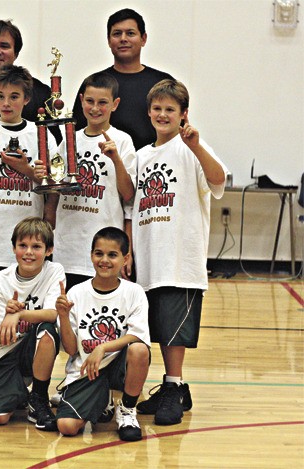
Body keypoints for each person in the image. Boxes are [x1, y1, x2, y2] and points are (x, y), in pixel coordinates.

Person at [132, 79, 226, 425]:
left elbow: (218, 181)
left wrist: (198, 147)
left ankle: (173, 386)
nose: (162, 114)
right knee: (157, 327)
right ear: (149, 112)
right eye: (157, 108)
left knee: (175, 330)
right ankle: (176, 387)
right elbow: (133, 207)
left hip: (179, 257)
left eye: (170, 109)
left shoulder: (192, 148)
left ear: (183, 114)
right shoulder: (142, 155)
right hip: (149, 256)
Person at [0, 65, 55, 403]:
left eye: (14, 96)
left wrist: (26, 170)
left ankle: (23, 373)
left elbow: (51, 185)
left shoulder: (41, 134)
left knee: (27, 309)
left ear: (27, 99)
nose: (6, 102)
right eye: (1, 96)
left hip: (28, 243)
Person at [55, 227, 150, 441]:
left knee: (139, 350)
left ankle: (126, 409)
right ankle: (102, 401)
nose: (104, 260)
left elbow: (137, 335)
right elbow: (70, 349)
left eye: (112, 255)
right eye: (99, 253)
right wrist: (62, 315)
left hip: (117, 365)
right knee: (66, 426)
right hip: (88, 368)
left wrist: (103, 347)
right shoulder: (76, 293)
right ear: (91, 255)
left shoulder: (134, 292)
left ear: (125, 259)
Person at [45, 71, 136, 291]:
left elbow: (129, 195)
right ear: (81, 100)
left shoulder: (122, 141)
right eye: (90, 101)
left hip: (104, 253)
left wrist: (116, 160)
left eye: (102, 102)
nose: (95, 108)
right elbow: (54, 190)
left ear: (115, 104)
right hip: (67, 249)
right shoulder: (68, 140)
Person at [0, 217, 63, 432]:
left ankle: (38, 397)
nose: (28, 252)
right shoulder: (1, 279)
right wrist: (8, 317)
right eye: (22, 246)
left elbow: (53, 313)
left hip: (31, 349)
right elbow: (1, 336)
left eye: (36, 247)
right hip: (3, 353)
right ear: (13, 248)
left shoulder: (54, 271)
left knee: (47, 331)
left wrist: (18, 315)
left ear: (49, 250)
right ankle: (17, 393)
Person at [71, 8, 173, 150]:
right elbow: (79, 133)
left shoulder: (162, 83)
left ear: (143, 39)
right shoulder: (95, 84)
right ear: (108, 40)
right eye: (117, 34)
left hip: (153, 167)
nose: (123, 39)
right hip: (104, 165)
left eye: (130, 33)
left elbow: (176, 131)